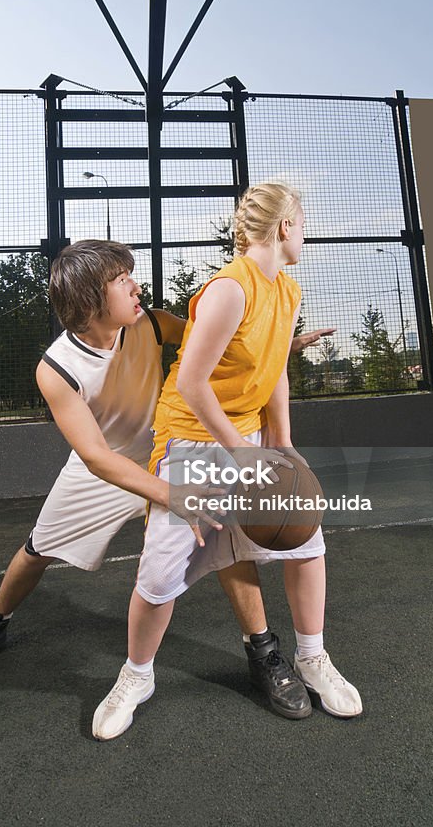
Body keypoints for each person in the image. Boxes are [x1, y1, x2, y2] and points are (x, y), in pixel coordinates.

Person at [0, 238, 334, 713]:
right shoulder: (57, 368)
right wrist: (173, 494)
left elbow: (220, 343)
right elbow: (95, 457)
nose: (137, 286)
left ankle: (264, 651)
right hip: (106, 468)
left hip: (169, 448)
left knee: (224, 543)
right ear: (90, 301)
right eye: (123, 280)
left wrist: (279, 347)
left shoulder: (149, 321)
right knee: (37, 550)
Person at [92, 185, 362, 741]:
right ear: (285, 227)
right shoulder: (229, 288)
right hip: (192, 438)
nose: (306, 232)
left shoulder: (288, 291)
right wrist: (240, 454)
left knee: (306, 539)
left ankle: (312, 656)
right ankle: (136, 675)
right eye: (303, 221)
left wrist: (281, 445)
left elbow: (274, 371)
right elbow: (191, 382)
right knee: (162, 574)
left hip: (249, 431)